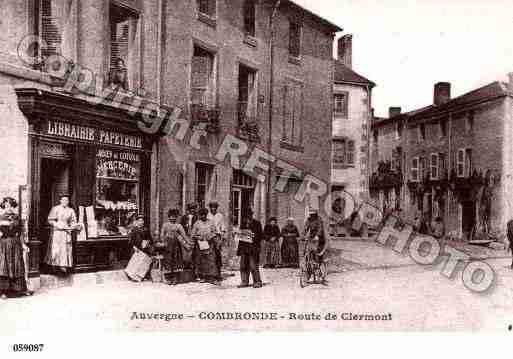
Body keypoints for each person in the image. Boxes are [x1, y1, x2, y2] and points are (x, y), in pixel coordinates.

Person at [0, 197, 32, 298]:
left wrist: (23, 244)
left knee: (17, 265)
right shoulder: (0, 217)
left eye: (11, 206)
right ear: (4, 206)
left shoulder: (17, 217)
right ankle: (3, 291)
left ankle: (18, 290)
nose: (9, 208)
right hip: (3, 244)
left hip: (16, 243)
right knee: (4, 266)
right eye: (6, 206)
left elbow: (21, 233)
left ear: (13, 207)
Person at [45, 195, 79, 275]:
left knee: (65, 249)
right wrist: (57, 224)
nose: (65, 202)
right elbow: (50, 220)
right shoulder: (55, 208)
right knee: (56, 249)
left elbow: (73, 221)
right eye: (63, 200)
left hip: (66, 232)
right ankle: (55, 267)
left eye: (66, 200)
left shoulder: (71, 210)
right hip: (57, 232)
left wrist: (73, 226)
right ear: (60, 201)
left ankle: (63, 267)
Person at [159, 209, 191, 285]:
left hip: (176, 246)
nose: (172, 218)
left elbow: (184, 236)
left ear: (176, 217)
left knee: (176, 261)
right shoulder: (165, 225)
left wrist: (189, 243)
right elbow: (162, 234)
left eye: (174, 217)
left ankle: (175, 278)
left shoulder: (179, 226)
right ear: (168, 217)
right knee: (168, 261)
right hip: (167, 246)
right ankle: (168, 278)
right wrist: (163, 241)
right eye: (171, 217)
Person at [191, 208, 221, 285]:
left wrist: (210, 237)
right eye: (201, 215)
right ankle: (202, 276)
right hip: (200, 244)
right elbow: (193, 234)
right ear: (199, 215)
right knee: (201, 260)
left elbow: (215, 232)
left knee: (211, 260)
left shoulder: (211, 222)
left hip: (210, 244)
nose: (203, 216)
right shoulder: (197, 223)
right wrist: (199, 237)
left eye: (204, 214)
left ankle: (213, 277)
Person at [236, 208, 263, 288]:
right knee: (243, 265)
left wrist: (253, 236)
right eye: (246, 216)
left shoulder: (257, 223)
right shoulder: (243, 224)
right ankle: (244, 281)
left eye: (249, 215)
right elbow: (241, 237)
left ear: (251, 215)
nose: (247, 217)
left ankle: (257, 281)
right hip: (244, 248)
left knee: (253, 265)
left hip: (253, 248)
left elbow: (260, 236)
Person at [303, 209, 328, 285]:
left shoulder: (319, 219)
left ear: (315, 214)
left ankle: (320, 271)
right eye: (311, 214)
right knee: (307, 253)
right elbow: (306, 227)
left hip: (320, 237)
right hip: (311, 237)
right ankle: (308, 274)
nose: (312, 216)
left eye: (313, 214)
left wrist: (317, 235)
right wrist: (303, 234)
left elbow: (320, 228)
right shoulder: (308, 220)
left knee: (317, 254)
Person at [125, 215, 154, 282]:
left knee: (145, 261)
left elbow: (150, 239)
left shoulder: (146, 230)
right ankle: (132, 275)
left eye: (142, 221)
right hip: (136, 249)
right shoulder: (134, 230)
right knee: (135, 262)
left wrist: (147, 242)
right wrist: (134, 247)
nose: (141, 222)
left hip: (144, 249)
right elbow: (130, 241)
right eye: (140, 221)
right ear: (137, 221)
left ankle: (140, 276)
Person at [207, 201, 226, 279]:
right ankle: (210, 274)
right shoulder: (207, 216)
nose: (213, 209)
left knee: (218, 255)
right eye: (212, 207)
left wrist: (221, 239)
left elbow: (223, 228)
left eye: (215, 207)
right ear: (210, 208)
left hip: (217, 236)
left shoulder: (220, 216)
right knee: (210, 255)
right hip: (209, 237)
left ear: (217, 208)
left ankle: (218, 274)